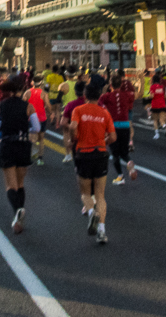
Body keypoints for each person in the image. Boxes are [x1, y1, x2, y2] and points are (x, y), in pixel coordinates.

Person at [0, 78, 40, 234]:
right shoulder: (28, 106)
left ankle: (18, 211)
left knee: (10, 185)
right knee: (20, 183)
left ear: (8, 91)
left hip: (7, 144)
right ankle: (20, 212)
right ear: (21, 90)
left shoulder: (1, 106)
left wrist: (2, 124)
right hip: (23, 145)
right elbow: (36, 127)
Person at [71, 83, 115, 244]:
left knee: (85, 192)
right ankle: (102, 231)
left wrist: (74, 138)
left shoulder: (79, 110)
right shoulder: (104, 113)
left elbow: (73, 127)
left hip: (84, 153)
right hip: (101, 153)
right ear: (99, 96)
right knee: (100, 195)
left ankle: (91, 214)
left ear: (85, 95)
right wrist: (104, 141)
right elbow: (113, 137)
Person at [100, 73, 138, 185]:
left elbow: (100, 104)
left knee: (115, 153)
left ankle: (120, 177)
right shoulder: (127, 95)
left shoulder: (107, 96)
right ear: (121, 84)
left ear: (110, 84)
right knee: (124, 152)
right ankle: (129, 162)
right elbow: (133, 101)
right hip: (125, 126)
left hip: (113, 126)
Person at [59, 81, 88, 164]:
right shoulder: (94, 104)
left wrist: (73, 126)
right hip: (93, 142)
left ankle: (67, 154)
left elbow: (63, 122)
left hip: (76, 138)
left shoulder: (71, 105)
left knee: (65, 132)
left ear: (75, 92)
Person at [25, 77, 49, 166]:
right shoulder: (44, 93)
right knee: (41, 139)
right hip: (42, 118)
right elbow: (48, 105)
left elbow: (23, 105)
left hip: (31, 118)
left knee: (31, 138)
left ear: (32, 82)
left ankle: (32, 153)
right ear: (41, 83)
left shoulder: (27, 93)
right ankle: (40, 158)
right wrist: (51, 112)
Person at [149, 73, 166, 139]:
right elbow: (165, 96)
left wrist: (148, 97)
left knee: (155, 120)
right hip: (162, 104)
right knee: (161, 120)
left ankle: (157, 134)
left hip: (155, 105)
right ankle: (164, 126)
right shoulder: (162, 87)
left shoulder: (152, 87)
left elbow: (152, 96)